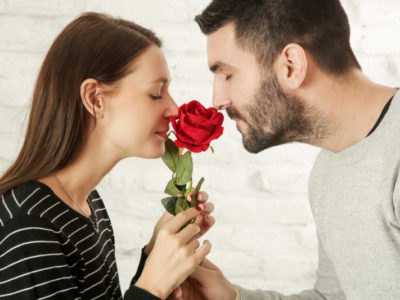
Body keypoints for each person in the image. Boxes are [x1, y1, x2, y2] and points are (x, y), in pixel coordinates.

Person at [169, 0, 400, 299]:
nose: (218, 100)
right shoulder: (327, 172)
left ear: (291, 65)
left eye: (227, 75)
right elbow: (333, 297)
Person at [0, 12, 215, 300]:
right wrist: (152, 286)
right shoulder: (29, 225)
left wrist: (153, 256)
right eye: (156, 93)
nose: (175, 109)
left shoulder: (89, 205)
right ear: (95, 99)